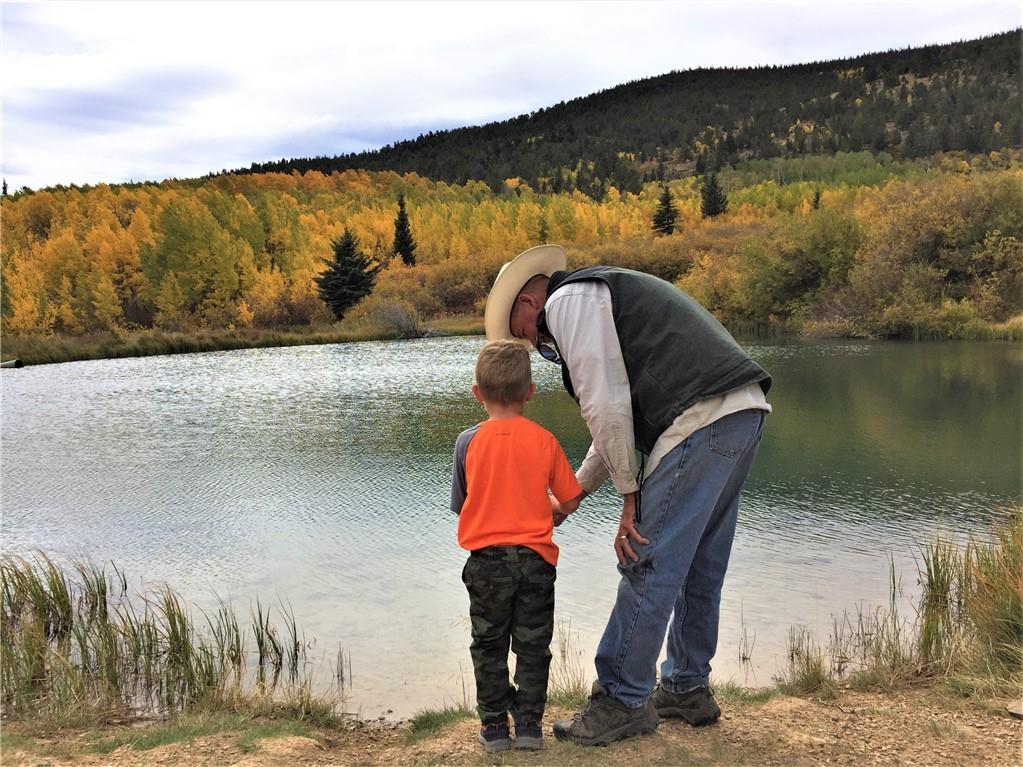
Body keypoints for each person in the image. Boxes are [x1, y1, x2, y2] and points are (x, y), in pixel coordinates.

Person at [483, 244, 772, 746]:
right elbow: (610, 423)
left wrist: (629, 499)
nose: (528, 342)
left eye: (521, 330)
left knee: (645, 557)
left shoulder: (568, 301)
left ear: (530, 303)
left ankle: (621, 698)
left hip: (697, 419)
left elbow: (607, 406)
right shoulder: (598, 293)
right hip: (740, 412)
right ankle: (685, 686)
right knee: (700, 563)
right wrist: (573, 497)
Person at [451, 339, 584, 752]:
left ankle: (494, 728)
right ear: (530, 391)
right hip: (536, 562)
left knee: (489, 644)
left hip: (486, 563)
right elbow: (572, 499)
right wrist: (551, 508)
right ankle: (528, 725)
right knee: (532, 644)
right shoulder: (544, 440)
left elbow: (461, 507)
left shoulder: (467, 443)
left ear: (478, 394)